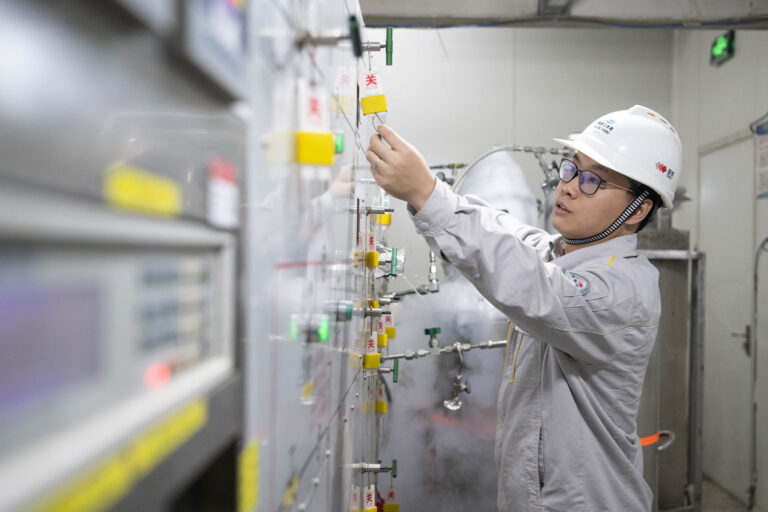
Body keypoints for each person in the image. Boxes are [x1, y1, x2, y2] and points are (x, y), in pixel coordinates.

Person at [365, 105, 682, 511]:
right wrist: (430, 195)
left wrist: (427, 195)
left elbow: (533, 287)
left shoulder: (621, 290)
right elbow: (503, 232)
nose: (568, 186)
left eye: (593, 182)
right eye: (573, 168)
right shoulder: (557, 254)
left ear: (637, 210)